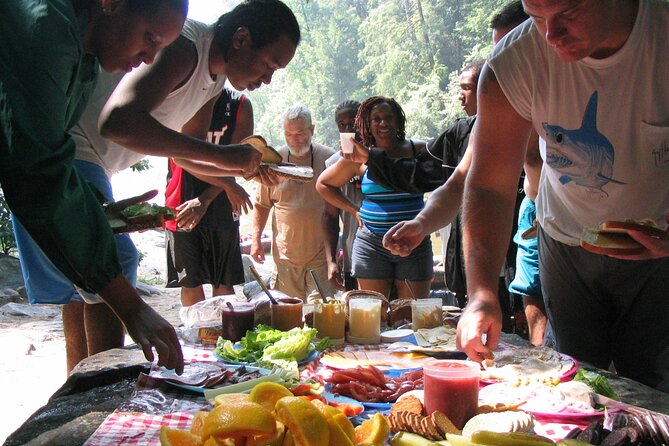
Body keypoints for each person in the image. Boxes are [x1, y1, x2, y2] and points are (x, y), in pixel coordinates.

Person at [457, 0, 669, 392]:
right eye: (537, 18)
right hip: (564, 243)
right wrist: (482, 292)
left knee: (653, 382)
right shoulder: (514, 62)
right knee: (571, 379)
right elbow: (488, 186)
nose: (551, 36)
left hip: (659, 254)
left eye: (567, 15)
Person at [0, 0, 188, 374]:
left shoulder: (85, 59)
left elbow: (54, 157)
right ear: (111, 4)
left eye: (159, 48)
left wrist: (97, 214)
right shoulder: (47, 33)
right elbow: (38, 178)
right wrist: (130, 306)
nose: (149, 58)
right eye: (148, 38)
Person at [99, 0, 300, 182]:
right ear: (241, 38)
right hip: (78, 154)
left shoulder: (216, 81)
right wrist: (222, 155)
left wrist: (248, 168)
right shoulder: (186, 48)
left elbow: (184, 157)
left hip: (101, 167)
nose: (267, 80)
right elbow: (117, 121)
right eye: (269, 65)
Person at [318, 96, 433, 300]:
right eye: (376, 119)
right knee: (373, 316)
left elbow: (447, 184)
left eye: (388, 117)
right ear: (367, 126)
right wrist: (354, 209)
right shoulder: (360, 156)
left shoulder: (419, 150)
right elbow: (323, 184)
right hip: (372, 244)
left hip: (414, 242)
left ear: (398, 120)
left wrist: (428, 216)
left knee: (413, 314)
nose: (383, 123)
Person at [491, 1, 549, 347]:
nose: (504, 58)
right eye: (498, 49)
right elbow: (473, 180)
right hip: (533, 210)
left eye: (510, 45)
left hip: (586, 222)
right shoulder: (503, 92)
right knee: (535, 304)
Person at [165, 88, 254, 306]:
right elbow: (181, 156)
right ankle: (196, 335)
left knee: (223, 280)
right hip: (182, 197)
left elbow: (237, 162)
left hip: (224, 199)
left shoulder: (240, 104)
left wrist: (206, 198)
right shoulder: (182, 98)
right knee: (190, 282)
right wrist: (223, 184)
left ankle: (225, 336)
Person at [251, 105, 335, 302]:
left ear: (312, 130)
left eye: (299, 133)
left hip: (320, 256)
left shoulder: (329, 160)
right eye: (289, 134)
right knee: (288, 316)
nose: (294, 140)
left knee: (322, 312)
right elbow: (262, 205)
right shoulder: (273, 162)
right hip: (285, 258)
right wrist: (256, 241)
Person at [322, 100, 363, 292]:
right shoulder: (333, 165)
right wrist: (331, 261)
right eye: (342, 125)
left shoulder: (382, 158)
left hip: (389, 250)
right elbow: (330, 216)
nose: (348, 129)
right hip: (352, 254)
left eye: (353, 123)